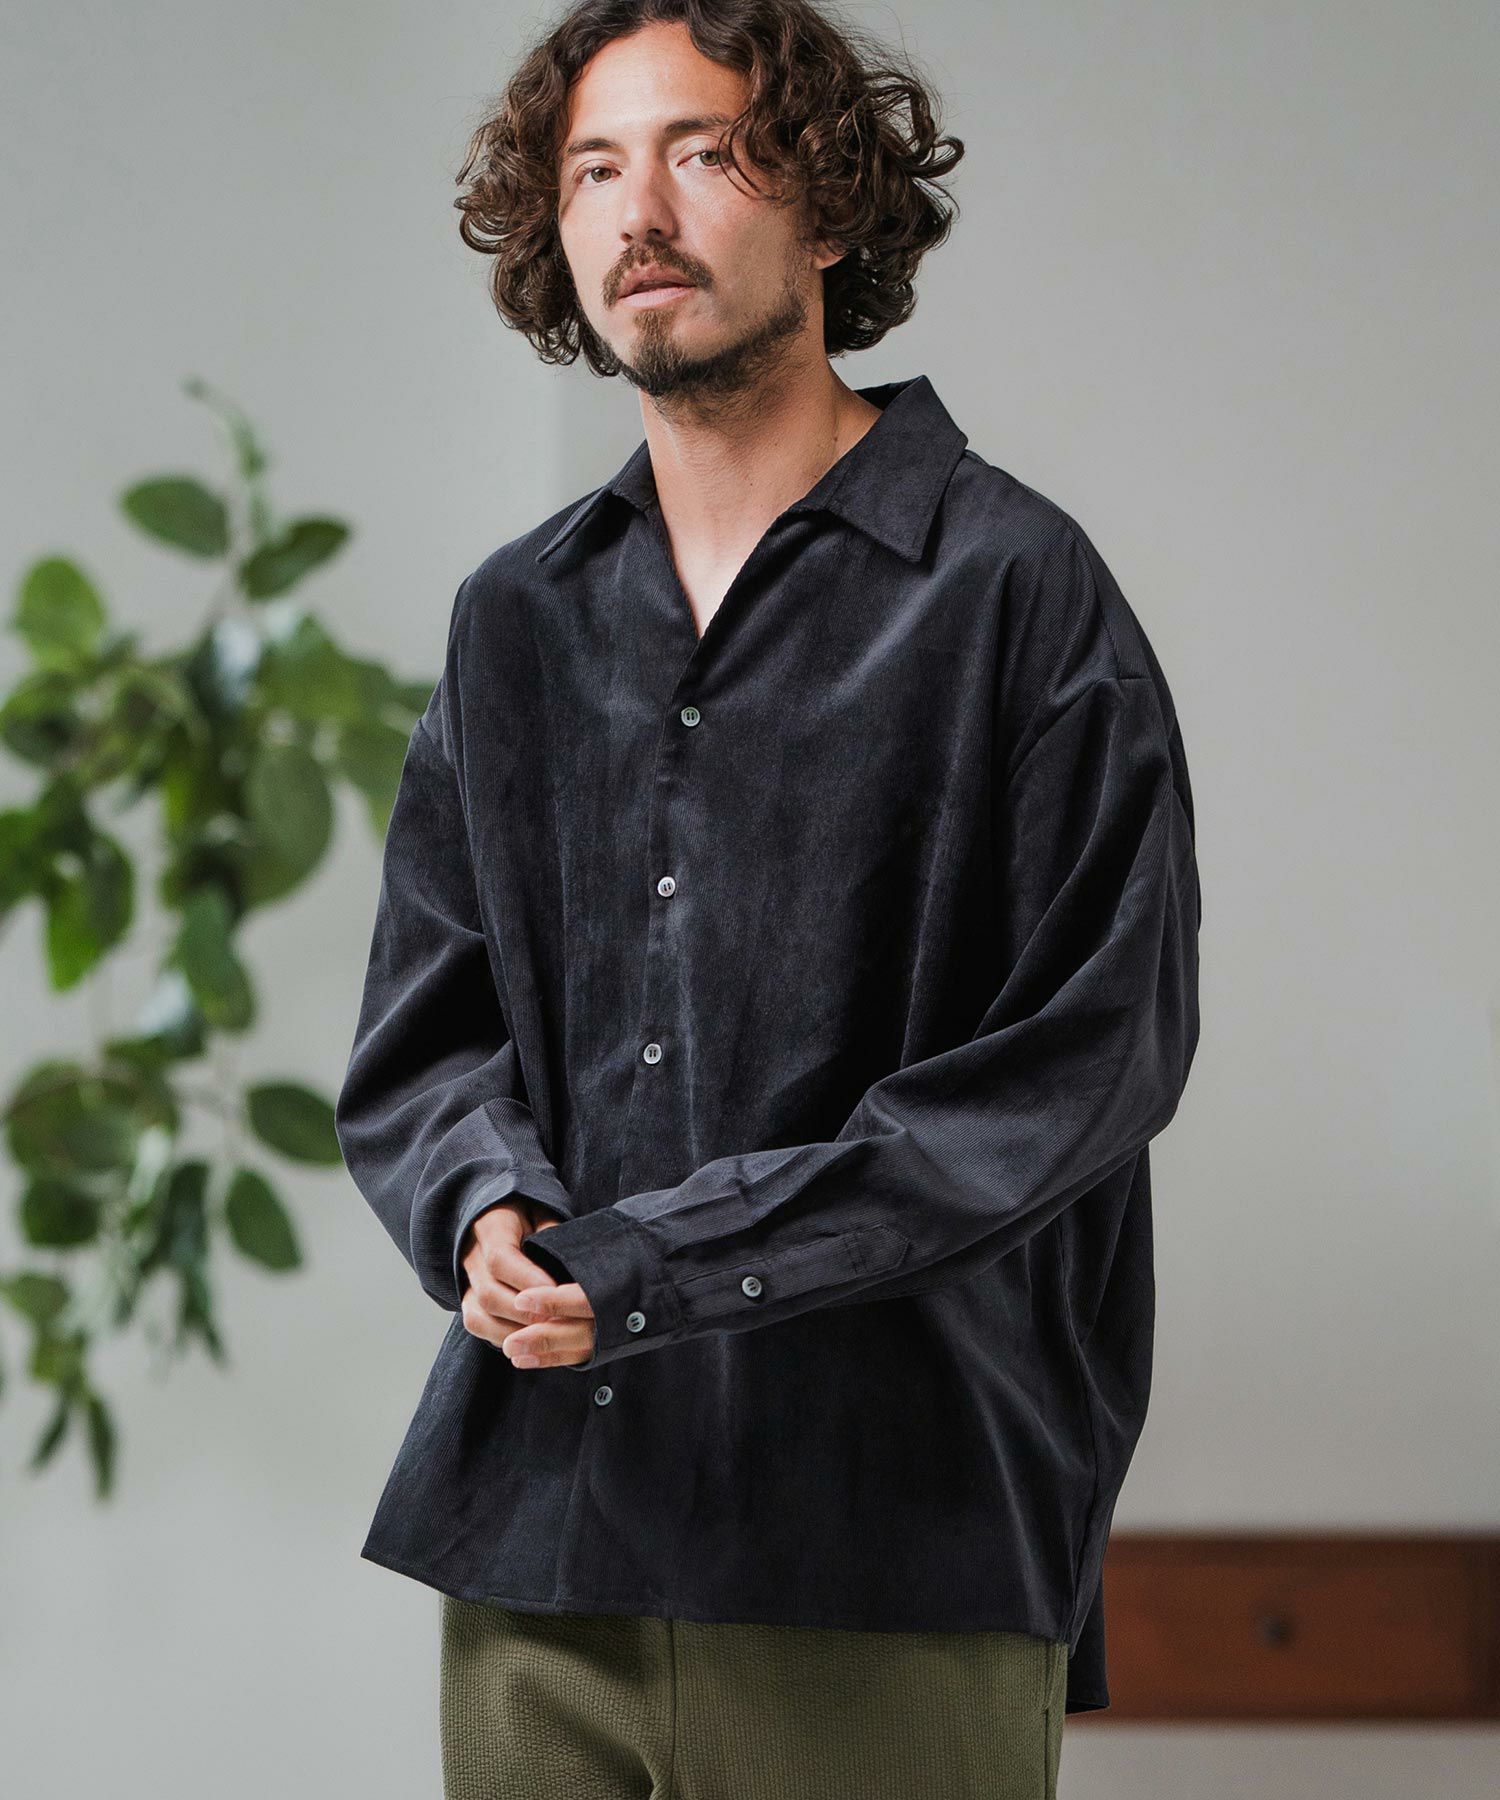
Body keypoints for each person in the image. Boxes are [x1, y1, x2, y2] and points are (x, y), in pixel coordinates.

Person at [333, 2, 1203, 1796]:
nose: (639, 211)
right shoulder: (516, 620)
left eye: (703, 152)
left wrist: (660, 1263)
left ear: (827, 208)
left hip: (893, 1552)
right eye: (593, 170)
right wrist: (487, 1209)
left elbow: (1091, 1061)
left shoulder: (1016, 591)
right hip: (544, 1557)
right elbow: (426, 1036)